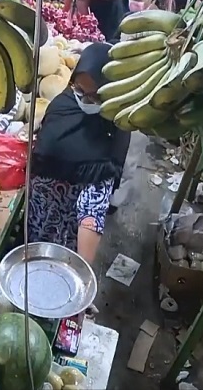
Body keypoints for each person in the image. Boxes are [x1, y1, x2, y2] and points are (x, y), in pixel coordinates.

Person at [28, 43, 130, 265]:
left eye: (95, 97)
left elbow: (93, 206)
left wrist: (82, 270)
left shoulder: (113, 130)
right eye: (79, 91)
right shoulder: (62, 104)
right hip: (39, 212)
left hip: (71, 227)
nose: (84, 101)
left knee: (60, 269)